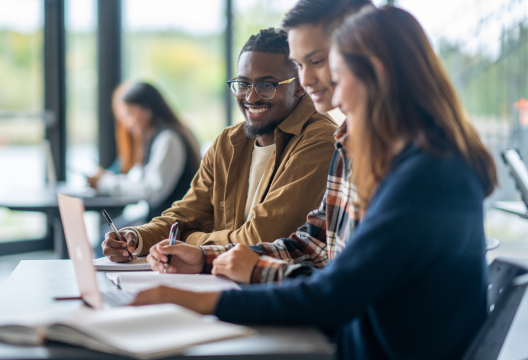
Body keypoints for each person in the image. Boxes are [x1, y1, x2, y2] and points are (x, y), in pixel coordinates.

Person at [133, 6, 497, 360]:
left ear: (376, 73)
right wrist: (207, 258)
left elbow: (335, 294)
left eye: (333, 73)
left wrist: (201, 300)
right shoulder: (368, 151)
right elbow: (316, 244)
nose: (330, 93)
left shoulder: (429, 174)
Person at [148, 0, 373, 283]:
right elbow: (310, 247)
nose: (309, 80)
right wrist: (204, 256)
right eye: (302, 65)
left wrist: (196, 246)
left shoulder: (346, 144)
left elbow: (344, 286)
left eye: (319, 62)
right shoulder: (347, 142)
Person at [102, 28, 339, 262]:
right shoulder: (229, 142)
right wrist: (136, 237)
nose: (251, 97)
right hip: (220, 278)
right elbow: (184, 215)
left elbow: (260, 239)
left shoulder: (319, 141)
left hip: (276, 288)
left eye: (267, 85)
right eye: (243, 84)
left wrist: (187, 240)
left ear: (299, 85)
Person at [88, 82, 201, 221]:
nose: (127, 124)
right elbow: (139, 179)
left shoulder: (168, 138)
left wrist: (105, 183)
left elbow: (153, 191)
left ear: (147, 110)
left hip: (171, 226)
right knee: (109, 234)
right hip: (162, 221)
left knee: (107, 238)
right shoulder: (154, 138)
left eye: (129, 114)